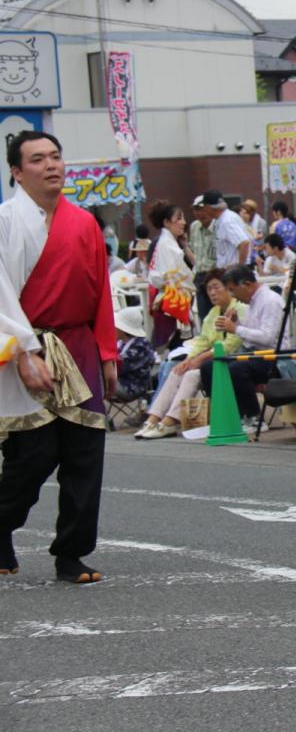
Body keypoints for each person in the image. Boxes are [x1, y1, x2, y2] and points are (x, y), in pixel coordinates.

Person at [0, 130, 118, 584]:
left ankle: (71, 554)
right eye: (37, 160)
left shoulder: (84, 222)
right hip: (23, 350)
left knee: (85, 455)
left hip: (79, 347)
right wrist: (23, 352)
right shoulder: (7, 221)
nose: (51, 165)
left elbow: (99, 293)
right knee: (30, 460)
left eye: (55, 156)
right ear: (16, 171)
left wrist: (107, 353)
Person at [137, 269, 247, 440]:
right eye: (209, 289)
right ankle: (153, 419)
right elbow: (202, 341)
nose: (212, 292)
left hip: (232, 360)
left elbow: (232, 343)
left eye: (216, 287)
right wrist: (188, 360)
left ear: (227, 288)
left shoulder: (240, 309)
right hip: (213, 361)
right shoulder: (212, 314)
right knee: (177, 371)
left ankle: (170, 421)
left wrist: (199, 359)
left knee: (192, 375)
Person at [200, 266, 291, 427]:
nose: (232, 295)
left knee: (238, 369)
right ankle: (228, 413)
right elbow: (250, 337)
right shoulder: (252, 302)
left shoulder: (270, 300)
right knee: (209, 366)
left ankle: (253, 417)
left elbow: (268, 338)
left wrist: (235, 328)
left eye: (233, 290)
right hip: (256, 355)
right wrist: (237, 323)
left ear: (247, 284)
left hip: (274, 358)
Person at [146, 200, 195, 349]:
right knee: (173, 347)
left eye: (183, 218)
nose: (183, 223)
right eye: (178, 219)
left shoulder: (169, 242)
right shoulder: (167, 245)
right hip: (172, 301)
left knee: (172, 346)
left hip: (171, 300)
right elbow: (177, 276)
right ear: (167, 222)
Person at [112, 307, 155, 401]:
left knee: (96, 383)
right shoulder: (122, 342)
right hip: (119, 382)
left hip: (131, 388)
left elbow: (119, 368)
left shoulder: (140, 346)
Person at [202, 191, 251, 270]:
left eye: (203, 207)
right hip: (227, 272)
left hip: (233, 274)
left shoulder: (227, 221)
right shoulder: (222, 219)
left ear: (208, 207)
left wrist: (239, 269)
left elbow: (244, 243)